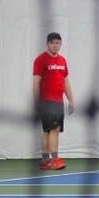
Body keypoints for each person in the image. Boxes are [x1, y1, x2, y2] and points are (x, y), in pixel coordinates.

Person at [32, 32, 75, 171]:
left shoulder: (62, 60)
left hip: (58, 101)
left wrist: (71, 100)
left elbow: (65, 82)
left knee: (48, 131)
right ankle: (55, 159)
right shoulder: (41, 60)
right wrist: (36, 102)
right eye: (52, 43)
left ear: (60, 44)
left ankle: (45, 160)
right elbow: (36, 82)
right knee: (54, 129)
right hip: (47, 100)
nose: (55, 45)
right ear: (47, 44)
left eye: (57, 43)